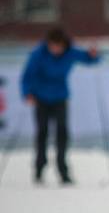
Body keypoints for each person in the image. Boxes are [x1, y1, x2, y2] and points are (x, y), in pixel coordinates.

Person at [20, 27, 101, 184]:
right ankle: (39, 168)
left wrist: (93, 55)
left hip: (60, 98)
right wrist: (27, 93)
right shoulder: (38, 54)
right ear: (48, 44)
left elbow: (89, 59)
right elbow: (27, 76)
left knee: (62, 133)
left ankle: (62, 170)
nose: (57, 49)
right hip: (41, 98)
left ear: (64, 45)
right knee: (42, 133)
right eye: (53, 46)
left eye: (59, 46)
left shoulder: (70, 52)